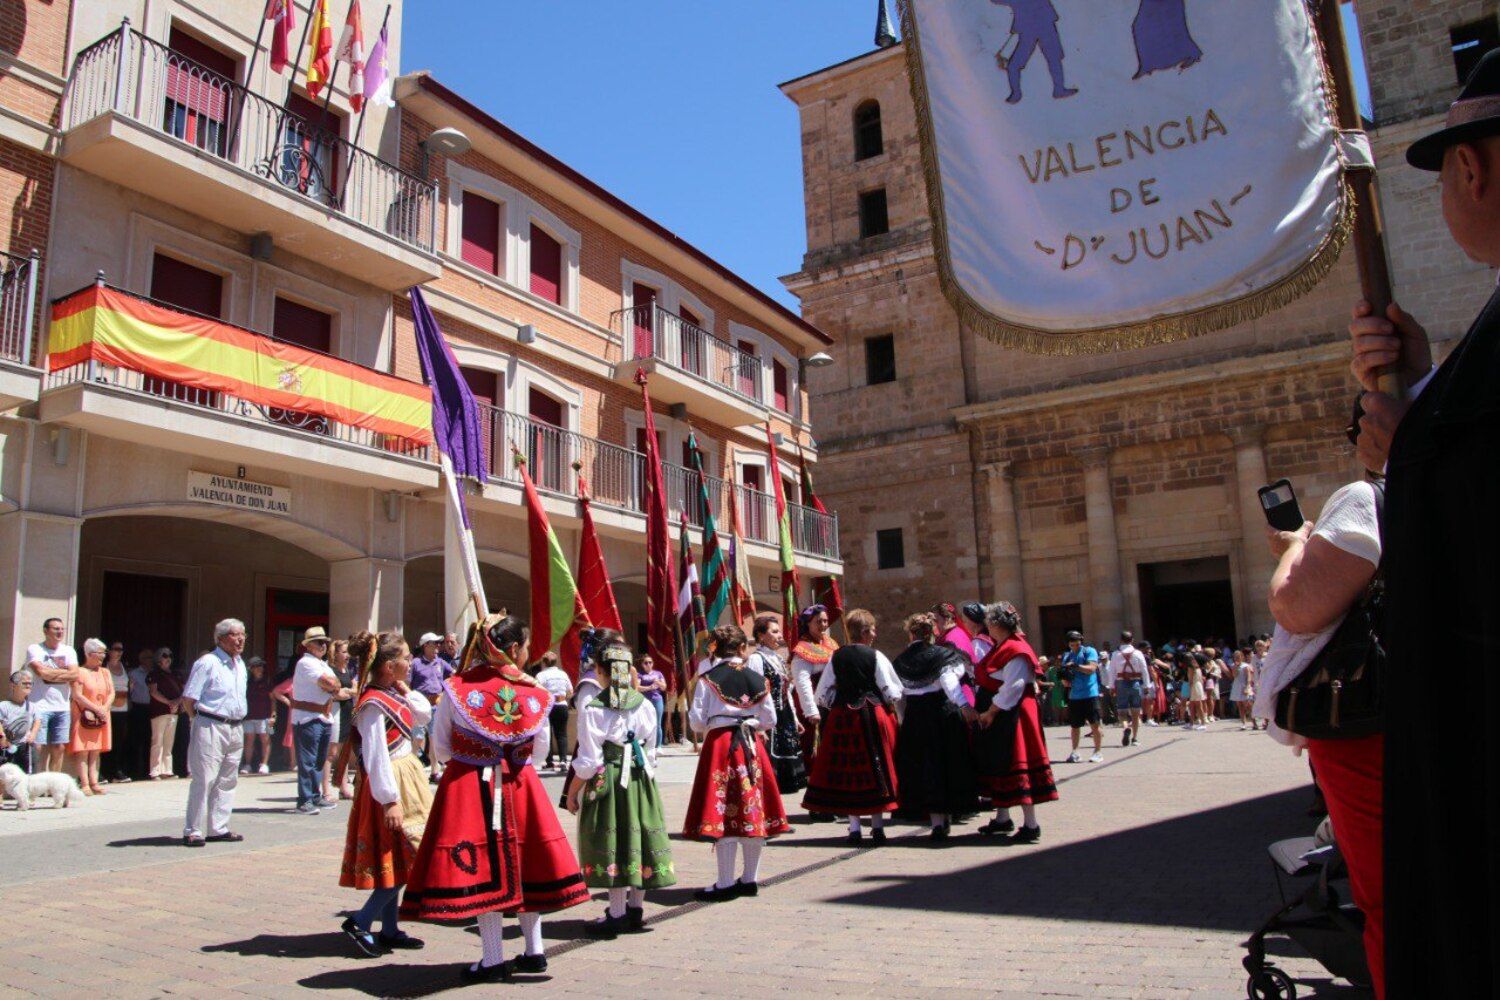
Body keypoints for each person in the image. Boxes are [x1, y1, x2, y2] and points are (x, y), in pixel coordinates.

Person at [401, 614, 589, 983]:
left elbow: (439, 745)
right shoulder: (536, 692)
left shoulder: (457, 687)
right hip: (521, 784)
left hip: (470, 783)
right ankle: (534, 950)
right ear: (515, 648)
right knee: (526, 862)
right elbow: (539, 751)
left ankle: (492, 958)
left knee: (487, 866)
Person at [1253, 477, 1383, 998]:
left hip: (1366, 723)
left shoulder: (1365, 499)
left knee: (1387, 895)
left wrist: (1293, 548)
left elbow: (1297, 606)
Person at [566, 636, 676, 938]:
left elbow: (588, 760)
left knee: (615, 839)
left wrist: (573, 791)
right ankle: (636, 909)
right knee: (637, 838)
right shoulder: (645, 705)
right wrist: (647, 774)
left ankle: (615, 913)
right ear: (629, 671)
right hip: (641, 777)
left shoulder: (595, 707)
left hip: (611, 777)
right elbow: (652, 750)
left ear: (600, 672)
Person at [337, 630, 433, 958]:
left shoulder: (390, 693)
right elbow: (376, 755)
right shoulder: (373, 704)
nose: (411, 662)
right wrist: (390, 799)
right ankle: (361, 922)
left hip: (406, 778)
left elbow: (423, 714)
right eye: (406, 658)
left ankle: (389, 929)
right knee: (409, 852)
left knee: (401, 857)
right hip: (390, 785)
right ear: (389, 666)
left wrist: (404, 687)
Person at [683, 624, 789, 901]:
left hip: (720, 747)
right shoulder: (757, 678)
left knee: (724, 812)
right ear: (743, 649)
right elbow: (771, 720)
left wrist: (717, 720)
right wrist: (749, 720)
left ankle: (725, 882)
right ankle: (750, 879)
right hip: (751, 746)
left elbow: (695, 721)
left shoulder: (708, 679)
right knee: (752, 810)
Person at [803, 609, 903, 844]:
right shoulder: (875, 656)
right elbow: (891, 691)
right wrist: (888, 707)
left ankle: (855, 829)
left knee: (848, 771)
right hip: (870, 715)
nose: (874, 634)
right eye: (872, 629)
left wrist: (839, 701)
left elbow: (822, 694)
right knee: (874, 768)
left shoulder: (836, 657)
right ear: (866, 631)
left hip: (843, 718)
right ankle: (878, 828)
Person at [973, 602, 1057, 844]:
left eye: (989, 622)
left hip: (1012, 714)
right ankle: (1002, 817)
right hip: (1002, 714)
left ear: (998, 624)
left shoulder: (1015, 649)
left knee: (1019, 764)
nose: (987, 626)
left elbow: (1014, 686)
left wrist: (991, 711)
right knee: (1000, 764)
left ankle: (1031, 823)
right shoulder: (1001, 646)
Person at [892, 612, 977, 839]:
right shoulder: (943, 655)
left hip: (916, 717)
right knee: (945, 764)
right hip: (942, 713)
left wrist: (902, 720)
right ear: (932, 633)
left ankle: (937, 822)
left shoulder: (901, 660)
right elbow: (950, 684)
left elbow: (898, 696)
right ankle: (945, 817)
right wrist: (965, 706)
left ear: (911, 633)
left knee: (925, 767)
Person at [181, 619, 249, 848]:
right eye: (234, 634)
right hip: (211, 724)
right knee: (205, 779)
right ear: (220, 638)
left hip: (236, 726)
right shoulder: (208, 662)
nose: (240, 639)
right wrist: (198, 721)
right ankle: (193, 830)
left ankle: (218, 827)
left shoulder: (240, 664)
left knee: (228, 779)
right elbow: (190, 698)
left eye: (243, 634)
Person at [747, 613, 806, 795]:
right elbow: (754, 693)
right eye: (774, 632)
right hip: (769, 718)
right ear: (761, 635)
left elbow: (787, 691)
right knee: (770, 769)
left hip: (784, 717)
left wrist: (795, 718)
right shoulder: (756, 659)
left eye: (779, 631)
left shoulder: (778, 659)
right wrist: (758, 726)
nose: (780, 636)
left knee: (786, 774)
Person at [290, 627, 344, 816]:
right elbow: (331, 684)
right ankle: (304, 799)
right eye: (318, 642)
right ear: (308, 645)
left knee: (319, 760)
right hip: (307, 717)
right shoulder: (306, 663)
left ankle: (314, 796)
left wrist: (333, 685)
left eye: (324, 642)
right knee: (308, 761)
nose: (323, 645)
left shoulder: (322, 664)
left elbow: (337, 684)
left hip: (323, 716)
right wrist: (332, 685)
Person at [993, 0, 1077, 104]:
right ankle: (1017, 93)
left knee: (1053, 58)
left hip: (1040, 25)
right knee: (1016, 64)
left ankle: (1057, 89)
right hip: (1034, 26)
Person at [25, 617, 79, 775]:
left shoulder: (68, 650)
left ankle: (53, 784)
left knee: (59, 746)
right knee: (37, 746)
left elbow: (75, 674)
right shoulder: (35, 649)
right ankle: (36, 782)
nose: (60, 632)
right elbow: (40, 672)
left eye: (62, 629)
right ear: (45, 631)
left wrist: (51, 674)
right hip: (39, 705)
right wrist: (65, 673)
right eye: (56, 629)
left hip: (62, 706)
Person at [788, 605, 838, 771]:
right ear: (808, 623)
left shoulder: (831, 643)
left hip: (831, 701)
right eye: (819, 621)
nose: (824, 625)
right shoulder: (802, 650)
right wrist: (811, 711)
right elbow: (802, 682)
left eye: (825, 621)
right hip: (814, 704)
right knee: (814, 744)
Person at [69, 638, 115, 795]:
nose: (103, 656)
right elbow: (77, 695)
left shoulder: (105, 672)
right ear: (89, 654)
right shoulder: (80, 672)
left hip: (102, 714)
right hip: (85, 715)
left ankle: (95, 782)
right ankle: (84, 784)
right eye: (100, 653)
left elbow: (111, 693)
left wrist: (104, 708)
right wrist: (95, 708)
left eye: (104, 653)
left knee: (96, 750)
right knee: (83, 750)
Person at [408, 632, 449, 782]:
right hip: (419, 706)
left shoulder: (441, 663)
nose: (438, 646)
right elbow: (407, 684)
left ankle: (434, 771)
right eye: (435, 643)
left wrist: (445, 694)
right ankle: (411, 769)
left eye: (439, 643)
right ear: (425, 645)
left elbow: (453, 676)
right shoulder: (416, 663)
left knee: (434, 739)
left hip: (435, 705)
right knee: (418, 739)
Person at [1060, 631, 1103, 763]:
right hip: (1075, 695)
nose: (1074, 646)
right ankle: (1075, 751)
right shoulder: (1067, 656)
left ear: (1081, 641)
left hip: (1090, 693)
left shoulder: (1089, 651)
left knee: (1095, 724)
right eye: (1072, 644)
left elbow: (1091, 668)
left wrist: (1076, 666)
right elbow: (1065, 681)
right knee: (1074, 726)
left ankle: (1097, 751)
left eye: (1077, 643)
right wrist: (1064, 677)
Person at [324, 640, 356, 801]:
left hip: (346, 711)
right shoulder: (331, 671)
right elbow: (335, 693)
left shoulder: (347, 671)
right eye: (343, 652)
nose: (347, 655)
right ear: (335, 654)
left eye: (347, 652)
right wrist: (346, 692)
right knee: (332, 752)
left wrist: (348, 691)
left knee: (344, 751)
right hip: (335, 711)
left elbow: (354, 689)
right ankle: (325, 790)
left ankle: (343, 787)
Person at [1109, 631, 1150, 747]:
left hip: (1121, 683)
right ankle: (1135, 738)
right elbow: (1144, 670)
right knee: (1136, 712)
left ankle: (1126, 727)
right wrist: (1147, 685)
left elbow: (1111, 671)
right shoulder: (1138, 653)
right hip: (1135, 682)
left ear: (1121, 640)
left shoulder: (1116, 654)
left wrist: (1111, 686)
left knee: (1122, 711)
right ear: (1132, 640)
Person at [533, 652, 573, 770]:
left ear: (544, 662)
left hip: (547, 706)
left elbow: (536, 691)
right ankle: (563, 761)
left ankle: (549, 761)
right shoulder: (563, 674)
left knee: (547, 733)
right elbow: (570, 691)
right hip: (561, 705)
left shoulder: (541, 675)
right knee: (562, 734)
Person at [147, 648, 183, 780]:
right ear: (158, 659)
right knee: (157, 741)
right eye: (164, 655)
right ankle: (155, 771)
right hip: (159, 712)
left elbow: (184, 692)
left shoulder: (176, 674)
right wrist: (169, 702)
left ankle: (167, 770)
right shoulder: (154, 674)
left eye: (170, 655)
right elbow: (153, 691)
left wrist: (177, 703)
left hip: (174, 712)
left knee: (169, 742)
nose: (168, 658)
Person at [101, 642, 131, 783]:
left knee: (119, 740)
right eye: (116, 649)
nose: (119, 652)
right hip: (108, 708)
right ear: (109, 651)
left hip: (122, 708)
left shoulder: (124, 666)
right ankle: (103, 770)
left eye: (121, 649)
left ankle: (116, 770)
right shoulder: (104, 667)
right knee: (106, 740)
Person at [1, 669, 39, 772]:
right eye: (25, 683)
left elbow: (37, 720)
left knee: (28, 777)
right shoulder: (3, 706)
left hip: (25, 747)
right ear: (13, 685)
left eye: (30, 684)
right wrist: (2, 736)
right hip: (7, 747)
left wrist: (33, 734)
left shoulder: (32, 706)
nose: (28, 686)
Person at [240, 657, 273, 775]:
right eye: (257, 666)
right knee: (249, 740)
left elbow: (273, 699)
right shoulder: (247, 682)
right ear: (251, 669)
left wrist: (274, 715)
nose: (260, 669)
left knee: (265, 739)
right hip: (249, 716)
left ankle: (264, 764)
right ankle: (247, 764)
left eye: (261, 666)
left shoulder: (268, 681)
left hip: (265, 716)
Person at [127, 649, 152, 779]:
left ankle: (148, 770)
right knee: (136, 741)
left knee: (150, 741)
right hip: (137, 709)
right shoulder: (134, 674)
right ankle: (135, 771)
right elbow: (129, 692)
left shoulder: (154, 673)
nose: (150, 660)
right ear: (141, 660)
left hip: (151, 709)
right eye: (148, 657)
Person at [634, 655, 668, 746]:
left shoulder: (658, 673)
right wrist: (649, 687)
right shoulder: (640, 675)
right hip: (645, 701)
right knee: (645, 723)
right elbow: (637, 687)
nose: (648, 664)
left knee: (657, 723)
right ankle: (646, 744)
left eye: (650, 662)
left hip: (657, 700)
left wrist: (658, 683)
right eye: (646, 663)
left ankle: (658, 746)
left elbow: (664, 687)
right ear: (642, 664)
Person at [1228, 648, 1256, 730]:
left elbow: (1249, 677)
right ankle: (1243, 723)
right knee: (1240, 706)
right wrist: (1236, 666)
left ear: (1242, 657)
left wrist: (1247, 687)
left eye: (1238, 656)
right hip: (1237, 686)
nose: (1237, 658)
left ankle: (1254, 723)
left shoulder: (1246, 666)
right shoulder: (1233, 666)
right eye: (1235, 657)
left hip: (1245, 686)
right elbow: (1235, 676)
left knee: (1248, 706)